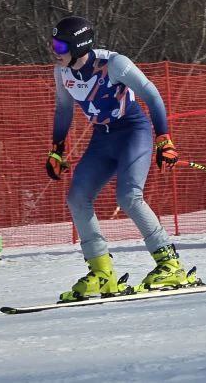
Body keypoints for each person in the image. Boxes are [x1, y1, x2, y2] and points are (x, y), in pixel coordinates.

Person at [47, 15, 196, 301]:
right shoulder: (62, 72)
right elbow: (63, 110)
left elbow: (152, 95)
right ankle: (102, 272)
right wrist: (57, 149)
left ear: (79, 45)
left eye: (60, 45)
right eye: (53, 44)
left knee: (128, 196)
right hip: (102, 137)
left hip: (132, 131)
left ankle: (170, 264)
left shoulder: (114, 63)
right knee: (77, 197)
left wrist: (164, 139)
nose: (55, 51)